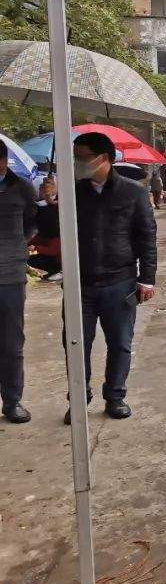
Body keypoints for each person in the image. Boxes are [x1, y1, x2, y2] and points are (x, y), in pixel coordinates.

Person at [66, 132, 157, 423]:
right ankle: (79, 398)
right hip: (80, 282)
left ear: (104, 158)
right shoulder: (71, 192)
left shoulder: (133, 192)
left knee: (120, 343)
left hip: (120, 281)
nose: (77, 163)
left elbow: (147, 236)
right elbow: (52, 233)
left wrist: (147, 278)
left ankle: (115, 396)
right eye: (75, 157)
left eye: (82, 157)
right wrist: (48, 203)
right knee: (77, 343)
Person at [0, 139, 38, 423]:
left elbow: (33, 223)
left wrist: (17, 247)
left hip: (10, 276)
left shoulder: (23, 189)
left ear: (3, 162)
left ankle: (12, 401)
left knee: (12, 343)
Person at [28, 176, 62, 280]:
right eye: (41, 187)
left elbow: (55, 248)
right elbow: (41, 234)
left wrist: (36, 248)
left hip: (56, 260)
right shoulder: (38, 207)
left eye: (44, 187)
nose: (41, 190)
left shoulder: (58, 208)